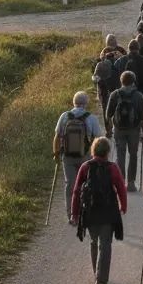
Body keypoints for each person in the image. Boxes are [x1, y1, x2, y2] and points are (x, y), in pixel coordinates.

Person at [70, 136, 127, 284]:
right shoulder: (113, 168)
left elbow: (76, 192)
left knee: (94, 242)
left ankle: (97, 272)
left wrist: (74, 213)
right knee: (106, 245)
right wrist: (123, 205)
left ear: (93, 150)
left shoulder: (85, 167)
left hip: (89, 212)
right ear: (108, 152)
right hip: (108, 211)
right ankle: (101, 280)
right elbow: (121, 188)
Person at [53, 91, 104, 223]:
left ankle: (71, 214)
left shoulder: (64, 116)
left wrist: (56, 154)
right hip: (85, 157)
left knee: (70, 184)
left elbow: (57, 137)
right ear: (85, 104)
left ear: (73, 103)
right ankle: (85, 211)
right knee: (86, 183)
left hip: (67, 157)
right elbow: (98, 139)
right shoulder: (91, 118)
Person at [105, 71, 143, 191]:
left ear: (121, 81)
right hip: (134, 129)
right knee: (133, 155)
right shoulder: (138, 95)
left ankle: (120, 181)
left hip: (118, 129)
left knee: (120, 155)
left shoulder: (115, 94)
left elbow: (108, 114)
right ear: (133, 81)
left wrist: (109, 129)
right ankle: (131, 183)